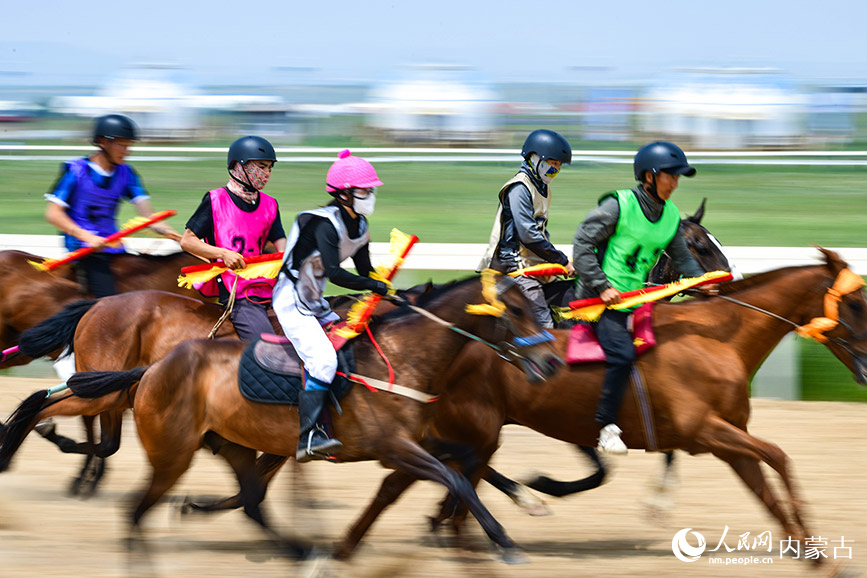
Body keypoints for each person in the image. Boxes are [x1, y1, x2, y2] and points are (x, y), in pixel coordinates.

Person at [572, 141, 708, 455]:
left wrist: (703, 283)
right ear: (649, 176)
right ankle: (606, 427)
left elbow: (683, 259)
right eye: (670, 176)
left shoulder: (671, 215)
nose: (675, 183)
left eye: (678, 178)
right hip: (599, 302)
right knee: (621, 355)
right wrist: (602, 286)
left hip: (638, 301)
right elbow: (581, 243)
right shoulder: (617, 205)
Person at [273, 149, 390, 463]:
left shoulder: (360, 225)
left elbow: (366, 272)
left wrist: (390, 290)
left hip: (316, 302)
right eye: (365, 190)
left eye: (371, 189)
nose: (371, 194)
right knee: (323, 360)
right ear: (344, 195)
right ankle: (308, 436)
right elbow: (336, 273)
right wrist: (373, 285)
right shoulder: (324, 224)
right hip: (291, 301)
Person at [44, 114, 181, 298]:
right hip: (84, 249)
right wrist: (87, 236)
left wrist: (178, 238)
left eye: (129, 145)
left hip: (115, 249)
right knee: (110, 301)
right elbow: (53, 214)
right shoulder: (74, 171)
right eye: (122, 145)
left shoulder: (127, 173)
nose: (127, 151)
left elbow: (149, 217)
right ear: (102, 142)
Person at [180, 136, 286, 342]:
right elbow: (188, 241)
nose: (267, 174)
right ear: (239, 166)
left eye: (270, 168)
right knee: (266, 346)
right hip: (238, 292)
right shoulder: (215, 200)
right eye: (262, 167)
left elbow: (282, 248)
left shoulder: (271, 204)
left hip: (268, 286)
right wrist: (223, 254)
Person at [478, 129, 576, 328]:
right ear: (534, 158)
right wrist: (561, 260)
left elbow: (542, 233)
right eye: (552, 162)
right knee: (544, 325)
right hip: (514, 268)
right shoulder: (519, 188)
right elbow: (529, 235)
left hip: (533, 265)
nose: (556, 169)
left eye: (559, 165)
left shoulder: (542, 187)